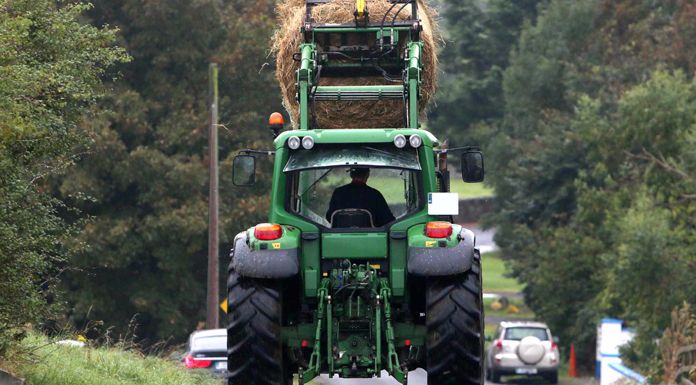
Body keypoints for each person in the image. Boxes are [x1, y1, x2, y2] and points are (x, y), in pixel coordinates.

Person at [325, 167, 395, 227]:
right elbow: (388, 220)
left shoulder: (338, 192)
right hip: (370, 238)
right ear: (367, 175)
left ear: (351, 175)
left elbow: (329, 217)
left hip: (338, 237)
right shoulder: (374, 194)